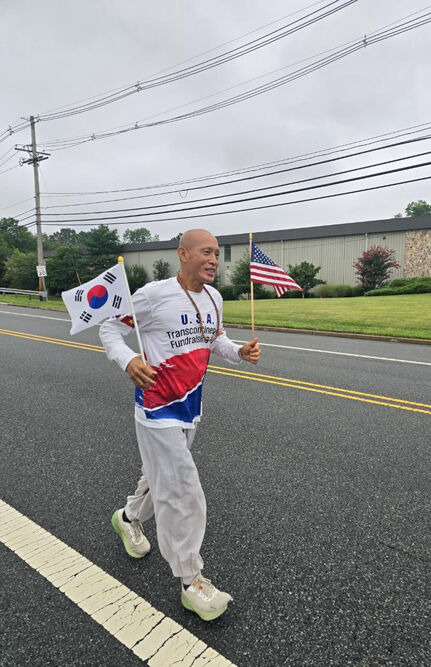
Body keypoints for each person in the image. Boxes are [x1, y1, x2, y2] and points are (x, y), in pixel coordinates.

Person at [99, 229, 261, 621]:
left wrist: (238, 351)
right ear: (183, 254)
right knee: (183, 487)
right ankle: (192, 582)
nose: (214, 260)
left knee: (161, 478)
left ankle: (128, 517)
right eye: (206, 252)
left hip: (190, 407)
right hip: (157, 410)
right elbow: (109, 327)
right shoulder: (154, 295)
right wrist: (128, 360)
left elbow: (215, 340)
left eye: (217, 254)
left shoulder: (214, 298)